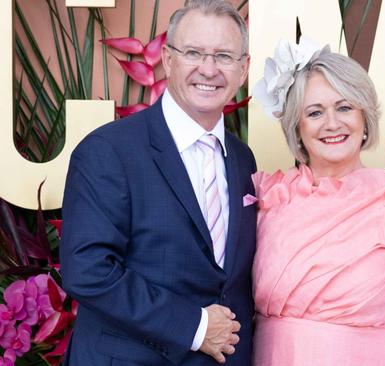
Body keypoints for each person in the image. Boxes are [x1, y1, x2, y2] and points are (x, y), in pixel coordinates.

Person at [60, 1, 256, 365]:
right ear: (168, 59)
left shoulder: (243, 160)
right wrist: (195, 326)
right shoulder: (108, 151)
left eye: (224, 56)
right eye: (194, 52)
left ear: (243, 68)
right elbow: (87, 270)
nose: (208, 69)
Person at [250, 37, 385, 366]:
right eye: (315, 112)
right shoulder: (270, 198)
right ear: (297, 125)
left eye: (345, 107)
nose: (332, 123)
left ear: (365, 116)